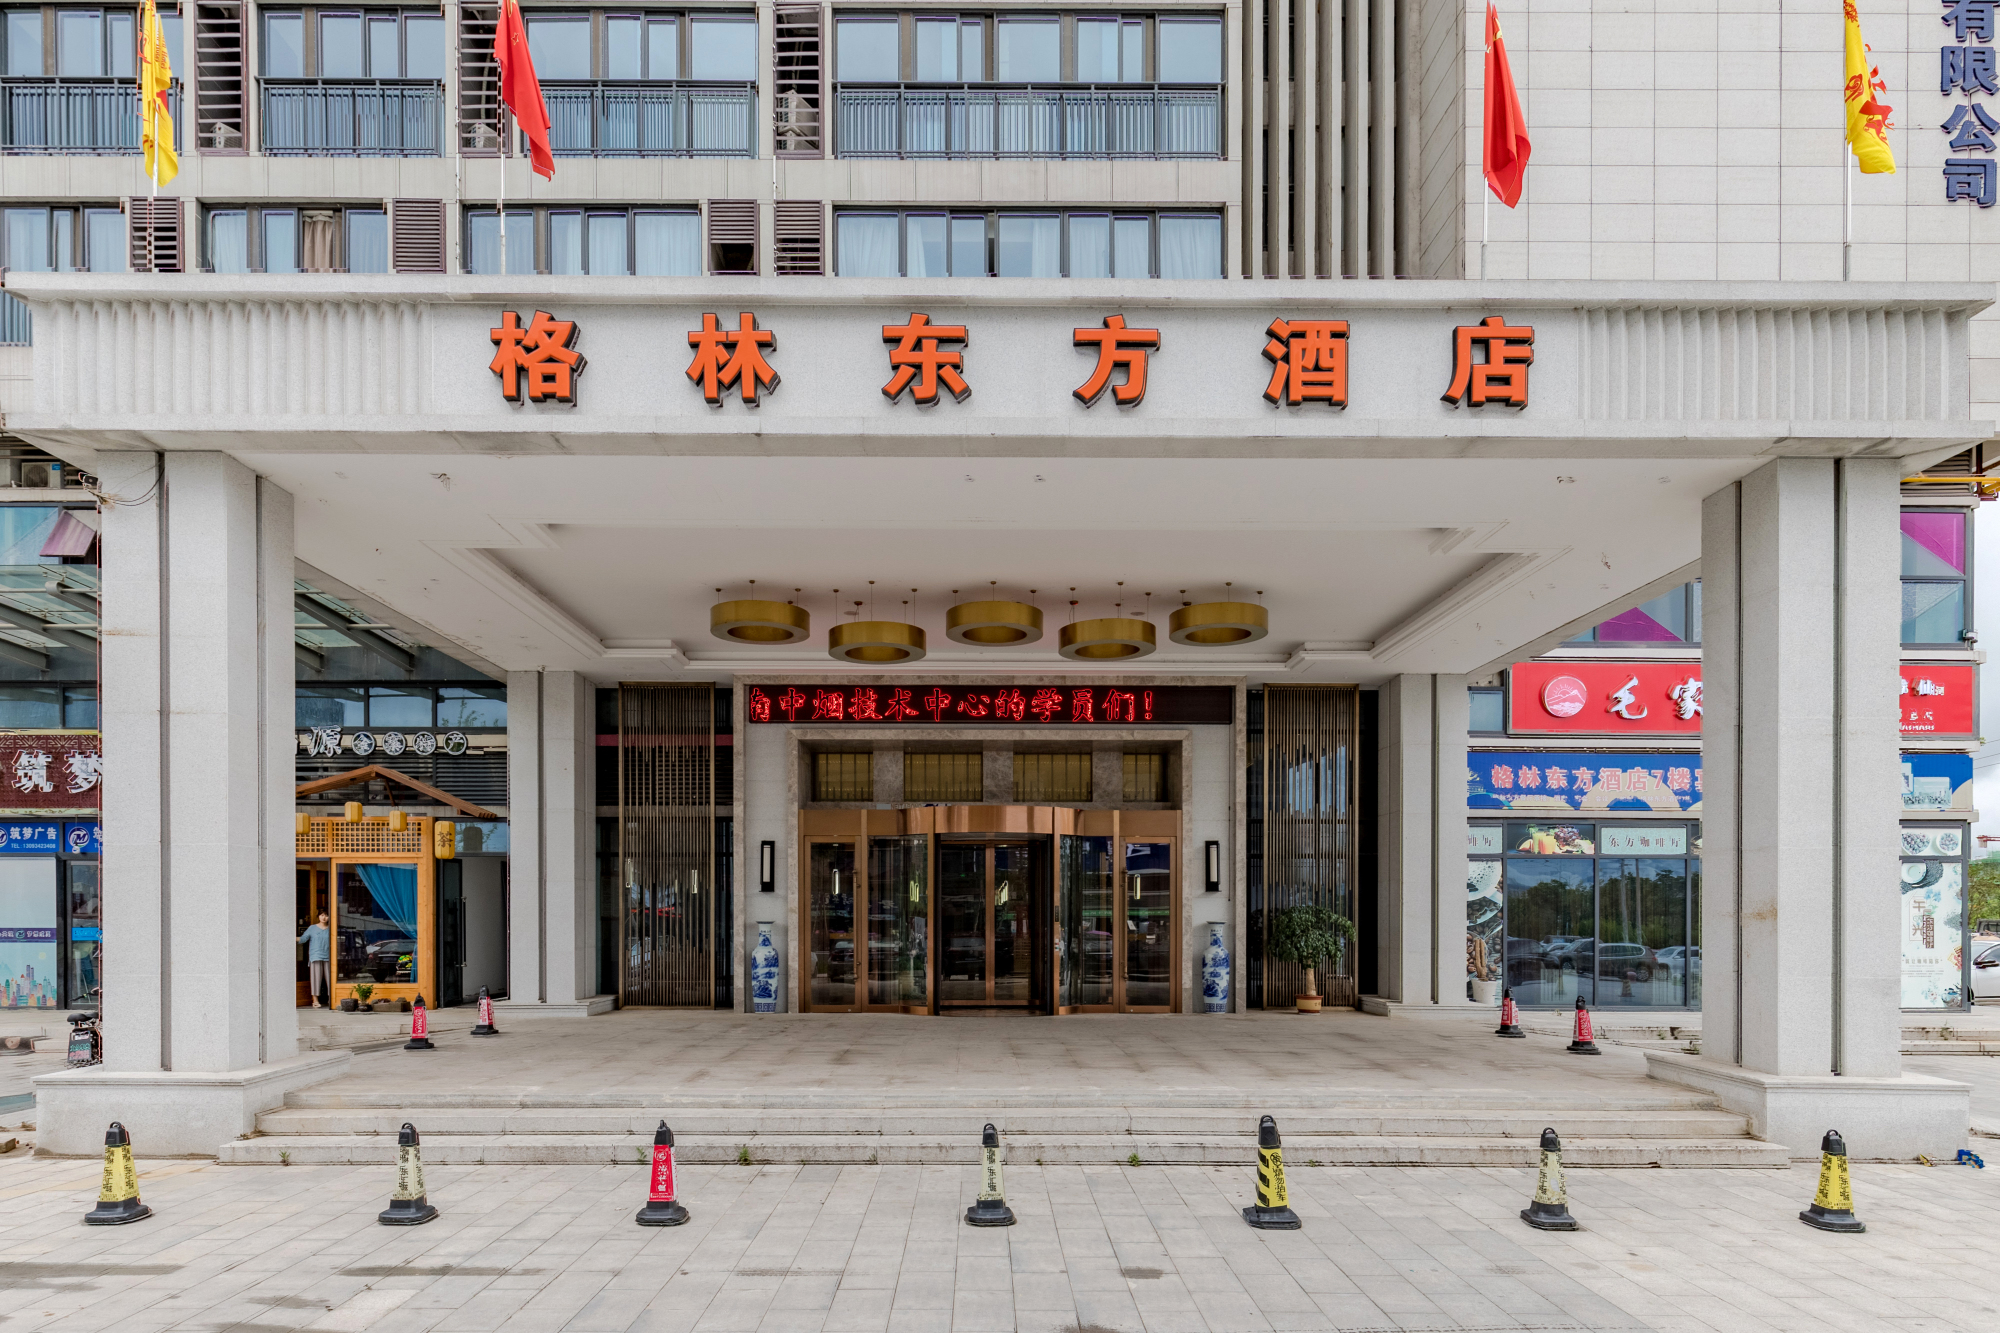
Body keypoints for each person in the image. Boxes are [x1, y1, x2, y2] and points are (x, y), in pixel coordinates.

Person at [299, 913, 332, 1007]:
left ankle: (332, 999)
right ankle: (315, 1000)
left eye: (326, 915)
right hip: (316, 955)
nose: (324, 917)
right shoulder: (312, 928)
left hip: (329, 956)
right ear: (318, 916)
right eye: (322, 915)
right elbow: (303, 939)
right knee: (316, 978)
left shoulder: (331, 928)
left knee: (331, 979)